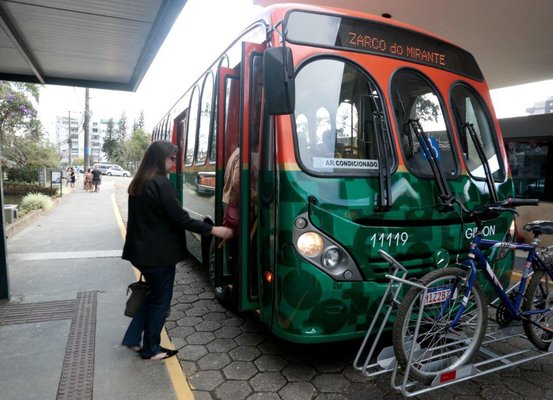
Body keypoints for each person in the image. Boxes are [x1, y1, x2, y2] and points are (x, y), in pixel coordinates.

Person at [121, 140, 233, 360]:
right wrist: (215, 230)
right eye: (172, 158)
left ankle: (133, 339)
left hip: (139, 252)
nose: (175, 163)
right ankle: (151, 349)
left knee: (153, 296)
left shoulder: (139, 182)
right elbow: (182, 219)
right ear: (159, 158)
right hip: (158, 256)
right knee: (161, 301)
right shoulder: (161, 184)